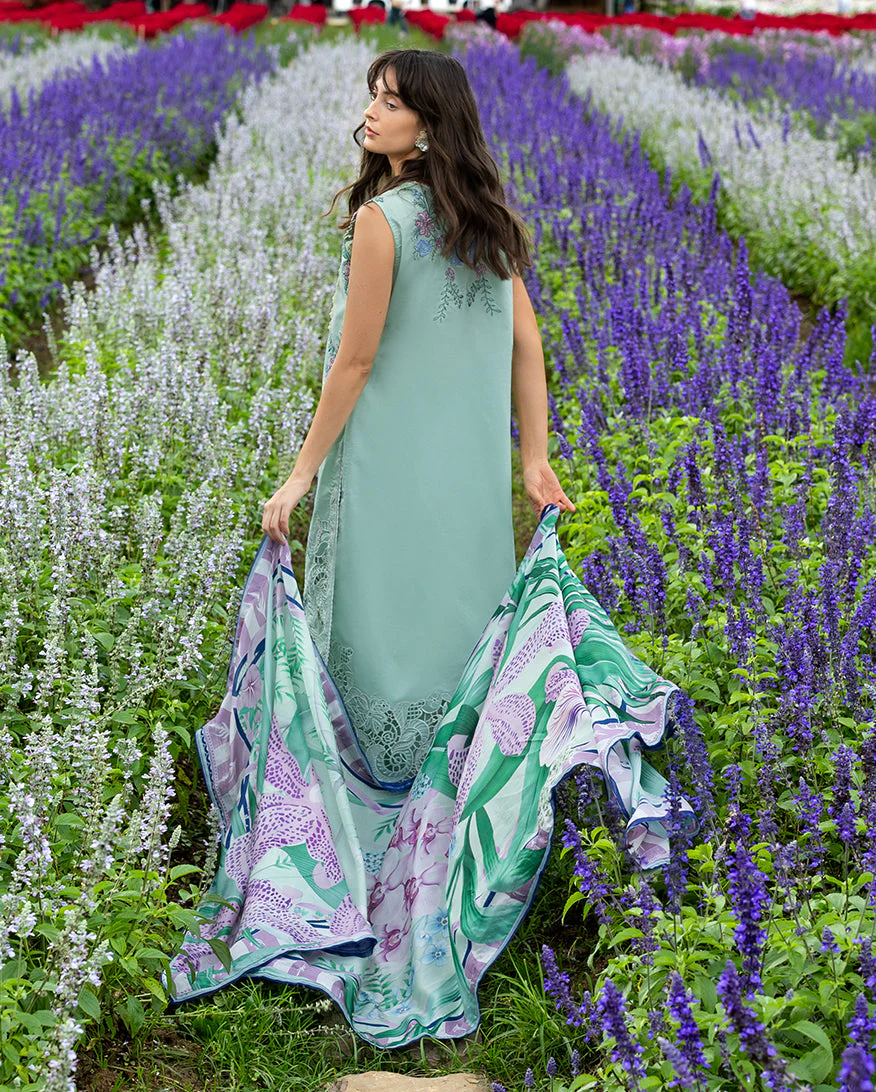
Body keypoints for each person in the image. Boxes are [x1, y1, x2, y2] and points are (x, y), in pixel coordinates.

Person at [168, 48, 694, 1047]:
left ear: (429, 123)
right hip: (465, 479)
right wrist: (531, 460)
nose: (372, 113)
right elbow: (528, 345)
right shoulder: (488, 224)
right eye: (372, 98)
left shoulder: (383, 222)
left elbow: (356, 359)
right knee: (458, 633)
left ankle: (364, 847)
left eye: (392, 101)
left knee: (378, 635)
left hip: (389, 473)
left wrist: (301, 475)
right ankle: (454, 837)